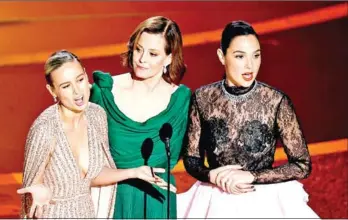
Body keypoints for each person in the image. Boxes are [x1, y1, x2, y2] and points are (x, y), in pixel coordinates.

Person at [177, 20, 319, 218]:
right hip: (215, 199)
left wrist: (251, 176)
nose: (250, 65)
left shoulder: (276, 101)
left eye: (256, 55)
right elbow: (192, 159)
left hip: (266, 200)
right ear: (222, 56)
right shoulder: (202, 98)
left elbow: (301, 165)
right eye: (239, 56)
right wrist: (212, 175)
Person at [17, 50, 170, 218]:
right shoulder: (45, 129)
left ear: (85, 74)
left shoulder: (96, 115)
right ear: (52, 91)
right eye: (66, 86)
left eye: (80, 80)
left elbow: (95, 174)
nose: (77, 92)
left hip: (87, 212)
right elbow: (30, 190)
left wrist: (134, 172)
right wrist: (38, 192)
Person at [90, 16, 191, 218]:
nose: (142, 59)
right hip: (107, 199)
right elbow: (82, 156)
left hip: (157, 202)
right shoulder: (104, 92)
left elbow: (183, 154)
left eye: (153, 54)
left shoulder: (181, 101)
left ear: (169, 58)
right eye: (138, 49)